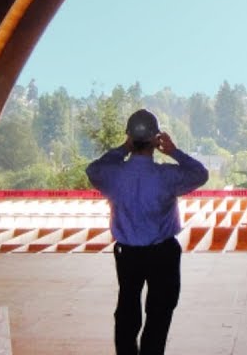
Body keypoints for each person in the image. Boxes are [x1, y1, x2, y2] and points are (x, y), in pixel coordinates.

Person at [86, 109, 208, 355]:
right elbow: (200, 174)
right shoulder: (166, 176)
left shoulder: (113, 175)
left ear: (129, 137)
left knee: (128, 310)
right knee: (160, 313)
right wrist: (173, 151)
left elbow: (94, 169)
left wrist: (123, 148)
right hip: (163, 253)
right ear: (156, 139)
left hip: (127, 254)